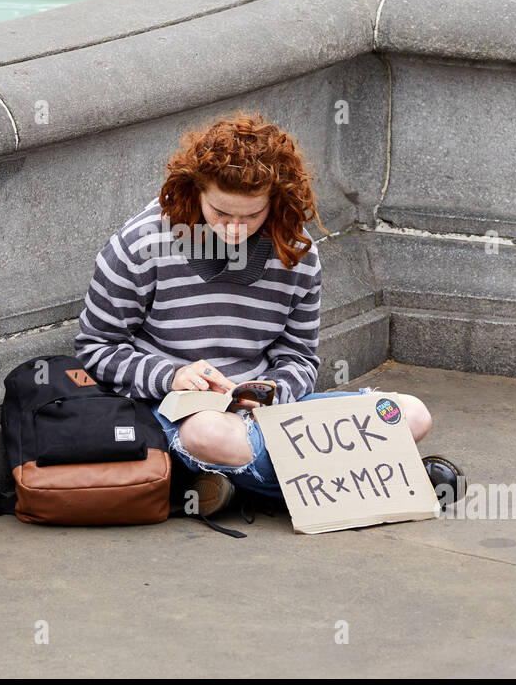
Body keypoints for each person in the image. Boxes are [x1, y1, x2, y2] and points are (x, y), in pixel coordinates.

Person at [73, 111, 433, 516]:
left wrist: (273, 390)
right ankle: (383, 482)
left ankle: (234, 481)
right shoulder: (140, 244)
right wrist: (172, 376)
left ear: (276, 202)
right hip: (178, 410)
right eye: (221, 213)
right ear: (195, 191)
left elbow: (298, 358)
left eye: (251, 215)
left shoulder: (297, 254)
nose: (234, 229)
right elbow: (97, 347)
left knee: (410, 415)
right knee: (210, 434)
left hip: (267, 412)